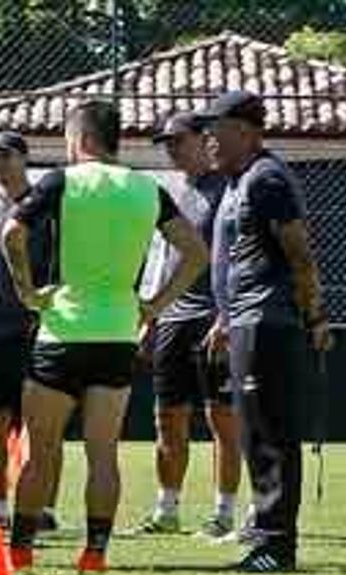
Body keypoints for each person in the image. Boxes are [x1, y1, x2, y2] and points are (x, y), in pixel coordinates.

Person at [3, 99, 207, 572]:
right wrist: (156, 305)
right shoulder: (147, 189)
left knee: (40, 450)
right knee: (102, 453)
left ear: (81, 139)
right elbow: (196, 252)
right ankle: (95, 553)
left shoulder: (62, 180)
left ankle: (21, 550)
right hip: (118, 335)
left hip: (61, 331)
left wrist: (28, 292)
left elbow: (12, 232)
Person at [199, 89, 330, 573]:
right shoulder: (237, 181)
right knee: (253, 430)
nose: (209, 139)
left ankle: (278, 544)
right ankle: (264, 531)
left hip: (270, 321)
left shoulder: (267, 178)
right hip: (246, 320)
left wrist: (314, 316)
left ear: (248, 132)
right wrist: (225, 318)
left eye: (218, 129)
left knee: (271, 432)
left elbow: (299, 253)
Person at [133, 112, 242, 539]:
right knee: (167, 418)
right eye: (167, 143)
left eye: (178, 140)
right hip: (172, 321)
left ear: (204, 140)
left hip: (214, 320)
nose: (172, 149)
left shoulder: (230, 191)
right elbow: (162, 259)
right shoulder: (175, 194)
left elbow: (237, 258)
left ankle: (224, 514)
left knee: (223, 420)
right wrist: (151, 316)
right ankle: (167, 510)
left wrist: (227, 314)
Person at [0, 130, 51, 529]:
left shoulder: (45, 206)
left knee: (41, 424)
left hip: (36, 331)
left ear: (24, 158)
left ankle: (41, 506)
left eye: (5, 156)